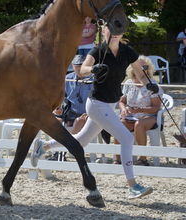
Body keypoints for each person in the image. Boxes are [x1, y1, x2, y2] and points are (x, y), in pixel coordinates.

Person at [31, 25, 159, 199]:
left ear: (122, 34)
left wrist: (150, 85)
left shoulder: (127, 51)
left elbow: (141, 75)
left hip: (110, 104)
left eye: (118, 31)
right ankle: (133, 186)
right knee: (127, 138)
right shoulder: (98, 50)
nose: (114, 34)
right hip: (97, 104)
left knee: (81, 141)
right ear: (104, 30)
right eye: (111, 30)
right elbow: (83, 69)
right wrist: (93, 69)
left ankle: (44, 146)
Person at [114, 55, 163, 166]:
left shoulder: (152, 85)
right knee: (118, 124)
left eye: (145, 67)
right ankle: (117, 158)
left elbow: (156, 108)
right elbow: (122, 101)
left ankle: (142, 158)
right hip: (131, 116)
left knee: (139, 124)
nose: (142, 69)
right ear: (133, 68)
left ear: (148, 69)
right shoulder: (129, 83)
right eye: (139, 66)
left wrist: (139, 109)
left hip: (150, 116)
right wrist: (123, 109)